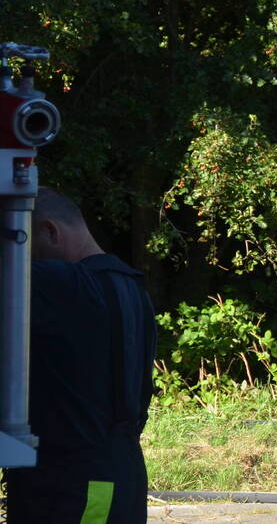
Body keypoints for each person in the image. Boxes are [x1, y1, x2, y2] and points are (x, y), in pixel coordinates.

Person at [4, 187, 156, 522]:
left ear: (50, 231)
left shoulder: (61, 285)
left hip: (73, 487)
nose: (24, 263)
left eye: (25, 251)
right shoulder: (131, 288)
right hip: (122, 474)